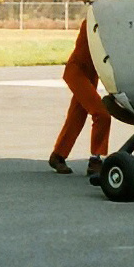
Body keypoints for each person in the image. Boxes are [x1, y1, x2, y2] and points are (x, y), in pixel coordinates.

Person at [49, 19, 110, 176]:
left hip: (90, 74)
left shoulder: (109, 22)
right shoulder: (94, 21)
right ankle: (95, 160)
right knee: (102, 114)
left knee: (76, 116)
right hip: (77, 73)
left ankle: (58, 156)